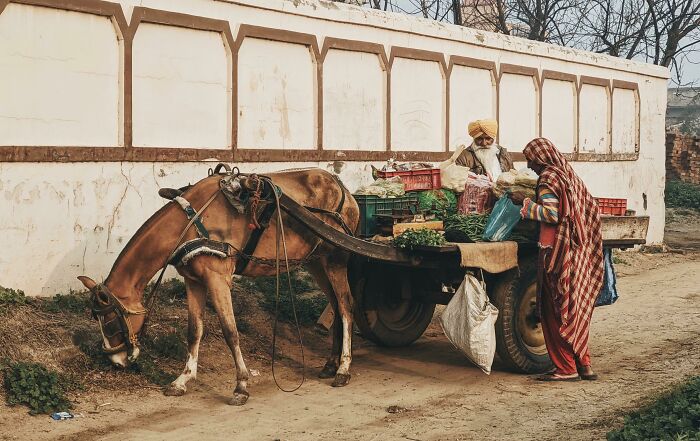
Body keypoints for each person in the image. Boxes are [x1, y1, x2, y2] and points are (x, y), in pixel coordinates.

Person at [511, 138, 604, 381]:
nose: (529, 165)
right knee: (574, 309)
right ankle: (584, 365)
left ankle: (565, 368)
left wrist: (525, 203)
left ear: (540, 158)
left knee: (554, 310)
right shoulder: (566, 175)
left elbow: (551, 214)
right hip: (575, 251)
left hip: (555, 251)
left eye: (531, 159)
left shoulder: (548, 178)